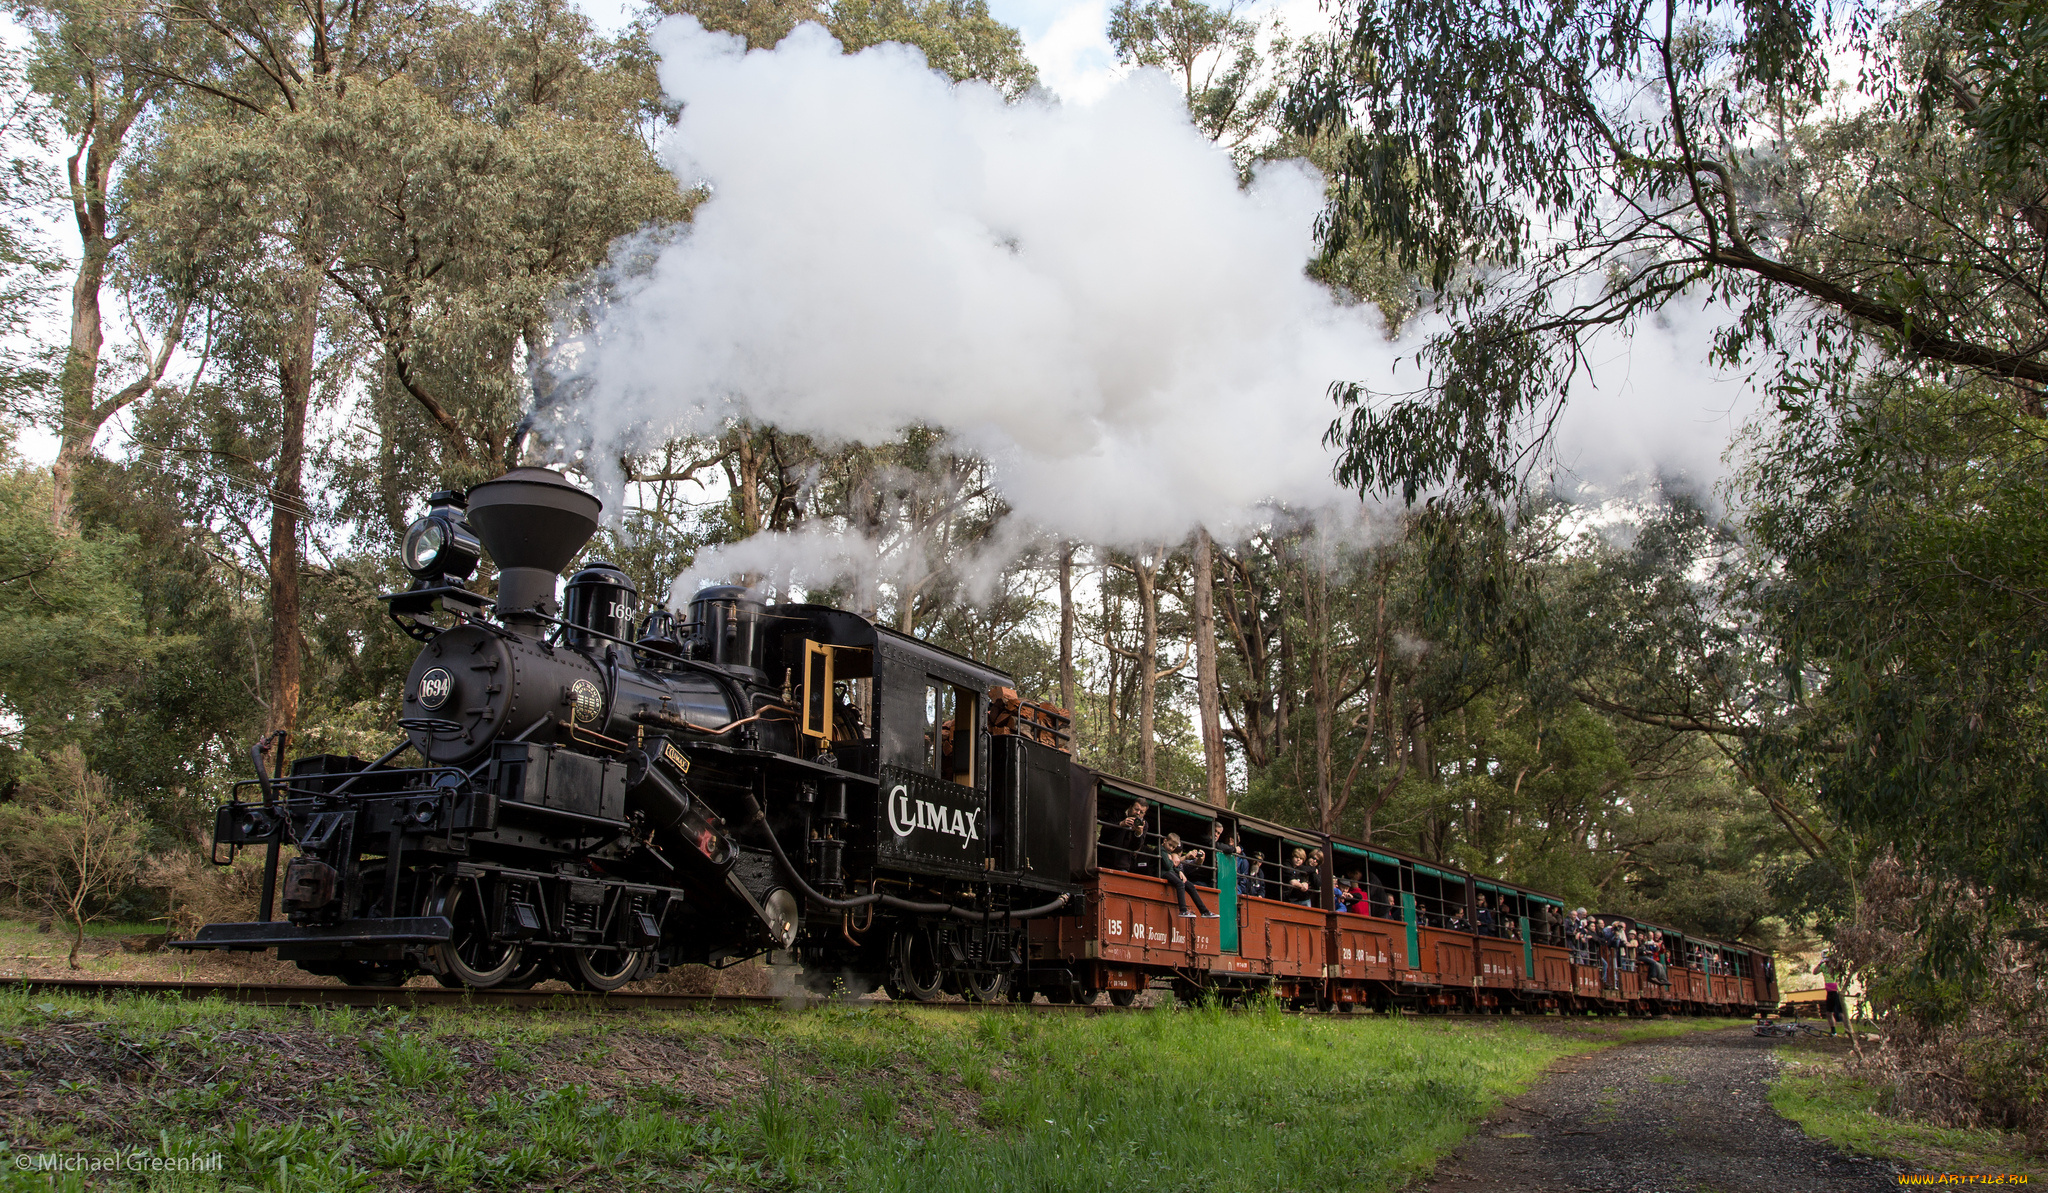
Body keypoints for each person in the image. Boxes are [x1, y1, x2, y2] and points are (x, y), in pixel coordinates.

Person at [1160, 832, 1216, 918]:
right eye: (1170, 845)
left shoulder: (1168, 853)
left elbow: (1173, 866)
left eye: (1173, 847)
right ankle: (1183, 910)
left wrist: (1179, 871)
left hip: (1171, 872)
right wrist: (1171, 859)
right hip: (1164, 872)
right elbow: (1167, 866)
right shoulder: (1161, 850)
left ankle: (1204, 911)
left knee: (1190, 886)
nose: (1171, 848)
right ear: (1165, 840)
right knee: (1180, 884)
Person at [1099, 800, 1147, 874]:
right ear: (1130, 807)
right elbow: (1104, 831)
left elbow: (1135, 848)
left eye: (1141, 812)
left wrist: (1138, 833)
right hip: (1104, 859)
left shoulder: (1144, 825)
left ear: (1144, 814)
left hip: (1122, 864)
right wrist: (1121, 824)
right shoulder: (1117, 814)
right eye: (1136, 809)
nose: (1138, 813)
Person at [1818, 953, 1847, 1036]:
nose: (1826, 961)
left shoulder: (1835, 967)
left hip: (1836, 991)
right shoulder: (1823, 966)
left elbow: (1842, 970)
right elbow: (1814, 972)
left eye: (1827, 959)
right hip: (1829, 992)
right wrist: (1820, 963)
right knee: (1828, 1013)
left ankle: (1847, 1030)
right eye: (1825, 959)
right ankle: (1833, 1032)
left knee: (1840, 1013)